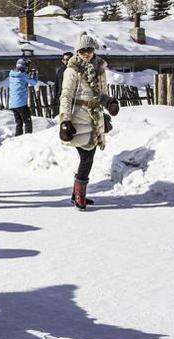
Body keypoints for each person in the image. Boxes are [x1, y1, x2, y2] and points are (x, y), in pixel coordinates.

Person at [59, 32, 119, 211]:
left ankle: (76, 193)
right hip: (77, 118)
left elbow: (101, 93)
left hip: (94, 117)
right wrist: (65, 121)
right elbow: (66, 96)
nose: (86, 53)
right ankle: (79, 195)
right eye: (83, 50)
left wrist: (109, 103)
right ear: (78, 51)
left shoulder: (100, 68)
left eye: (89, 50)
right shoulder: (72, 70)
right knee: (87, 157)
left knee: (88, 156)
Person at [8, 58, 38, 136]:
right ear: (24, 67)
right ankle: (28, 139)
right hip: (21, 103)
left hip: (13, 104)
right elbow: (34, 82)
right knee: (27, 122)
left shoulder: (12, 75)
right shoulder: (22, 76)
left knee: (19, 123)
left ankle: (18, 139)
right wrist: (35, 74)